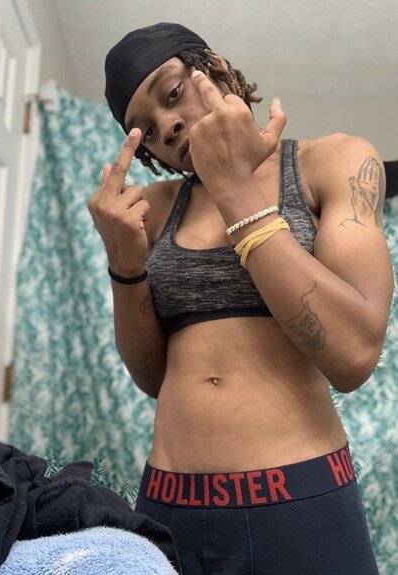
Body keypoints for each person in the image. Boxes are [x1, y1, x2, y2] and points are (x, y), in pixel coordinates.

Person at [88, 22, 393, 574]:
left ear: (215, 66)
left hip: (298, 503)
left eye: (172, 93)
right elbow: (153, 377)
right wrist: (124, 266)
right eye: (146, 131)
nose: (167, 126)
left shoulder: (332, 162)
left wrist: (233, 187)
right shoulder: (157, 207)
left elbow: (353, 355)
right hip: (167, 506)